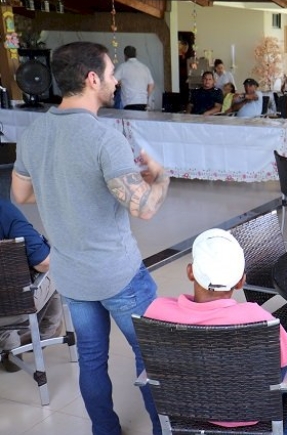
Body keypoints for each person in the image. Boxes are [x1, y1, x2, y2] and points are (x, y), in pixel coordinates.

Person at [11, 41, 170, 435]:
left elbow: (20, 195)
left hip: (72, 276)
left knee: (93, 359)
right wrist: (162, 177)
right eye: (112, 73)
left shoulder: (33, 134)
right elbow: (144, 209)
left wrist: (61, 184)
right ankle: (162, 429)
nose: (116, 80)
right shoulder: (104, 139)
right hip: (119, 275)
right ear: (92, 78)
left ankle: (104, 430)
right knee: (152, 355)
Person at [144, 229, 287, 434]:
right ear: (240, 281)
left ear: (190, 272)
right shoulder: (255, 319)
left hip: (186, 413)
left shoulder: (157, 312)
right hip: (247, 415)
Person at [0, 200, 62, 373]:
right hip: (12, 308)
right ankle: (45, 333)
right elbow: (43, 263)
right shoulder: (4, 211)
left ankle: (10, 345)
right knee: (55, 265)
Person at [113, 46, 154, 111]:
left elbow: (113, 81)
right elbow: (151, 85)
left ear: (125, 55)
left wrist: (119, 83)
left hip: (129, 103)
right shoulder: (144, 68)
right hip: (143, 103)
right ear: (136, 54)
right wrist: (146, 96)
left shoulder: (123, 67)